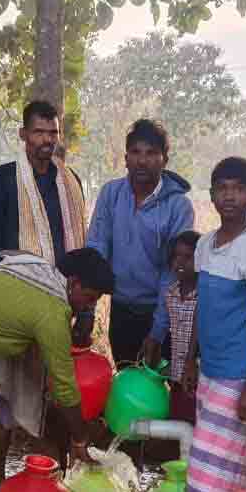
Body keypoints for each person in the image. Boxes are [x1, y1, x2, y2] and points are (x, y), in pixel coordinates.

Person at [0, 248, 115, 476]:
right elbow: (64, 387)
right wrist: (80, 439)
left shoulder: (36, 275)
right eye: (90, 298)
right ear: (73, 283)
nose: (88, 307)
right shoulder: (52, 310)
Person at [181, 158, 246, 492]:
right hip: (210, 371)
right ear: (212, 195)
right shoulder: (205, 245)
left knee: (208, 470)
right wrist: (190, 359)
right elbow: (200, 307)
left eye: (238, 189)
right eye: (223, 188)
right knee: (222, 465)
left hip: (237, 374)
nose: (230, 196)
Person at [87, 119, 195, 365]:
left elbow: (173, 272)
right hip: (121, 308)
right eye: (135, 152)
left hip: (163, 313)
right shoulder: (111, 193)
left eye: (151, 153)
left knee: (160, 385)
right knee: (127, 382)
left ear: (164, 159)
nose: (142, 160)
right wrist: (87, 311)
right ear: (126, 158)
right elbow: (96, 250)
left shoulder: (178, 206)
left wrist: (157, 332)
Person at [0, 100, 87, 268]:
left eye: (53, 133)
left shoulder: (71, 180)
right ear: (23, 134)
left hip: (67, 286)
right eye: (38, 132)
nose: (47, 139)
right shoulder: (1, 181)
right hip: (20, 284)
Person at [143, 230, 201, 424]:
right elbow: (166, 327)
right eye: (176, 256)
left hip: (200, 374)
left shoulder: (205, 294)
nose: (180, 262)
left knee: (197, 422)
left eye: (188, 257)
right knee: (179, 419)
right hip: (177, 374)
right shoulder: (172, 293)